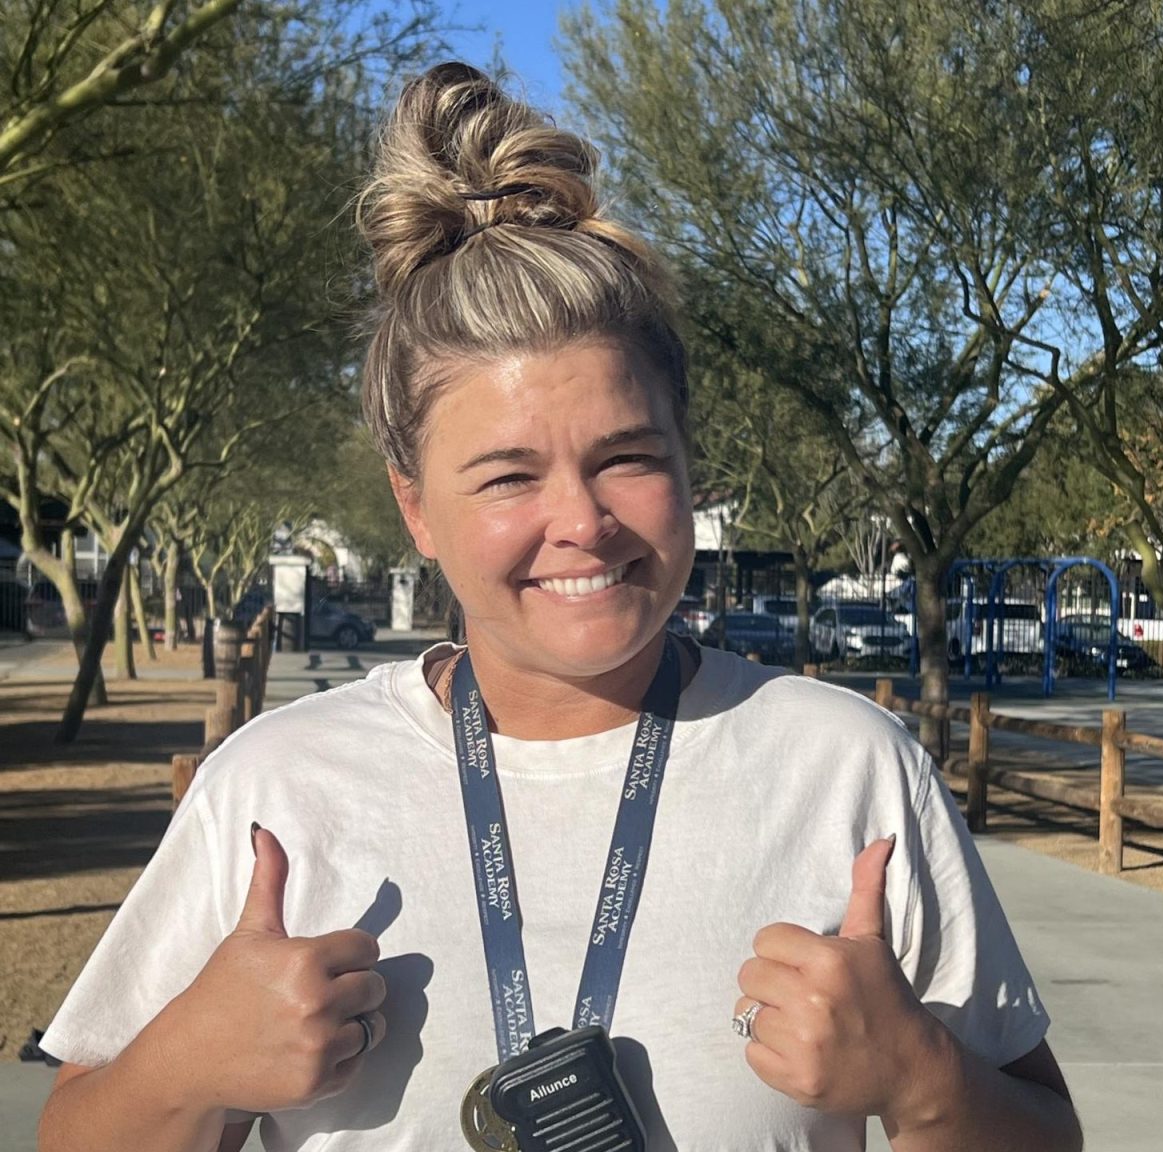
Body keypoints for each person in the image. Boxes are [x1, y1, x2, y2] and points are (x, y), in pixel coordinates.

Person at [37, 63, 1083, 1152]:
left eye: (626, 457)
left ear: (688, 465)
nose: (580, 521)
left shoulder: (847, 767)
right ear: (417, 510)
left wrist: (919, 1080)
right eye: (506, 476)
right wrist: (185, 1067)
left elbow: (1046, 1133)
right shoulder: (276, 790)